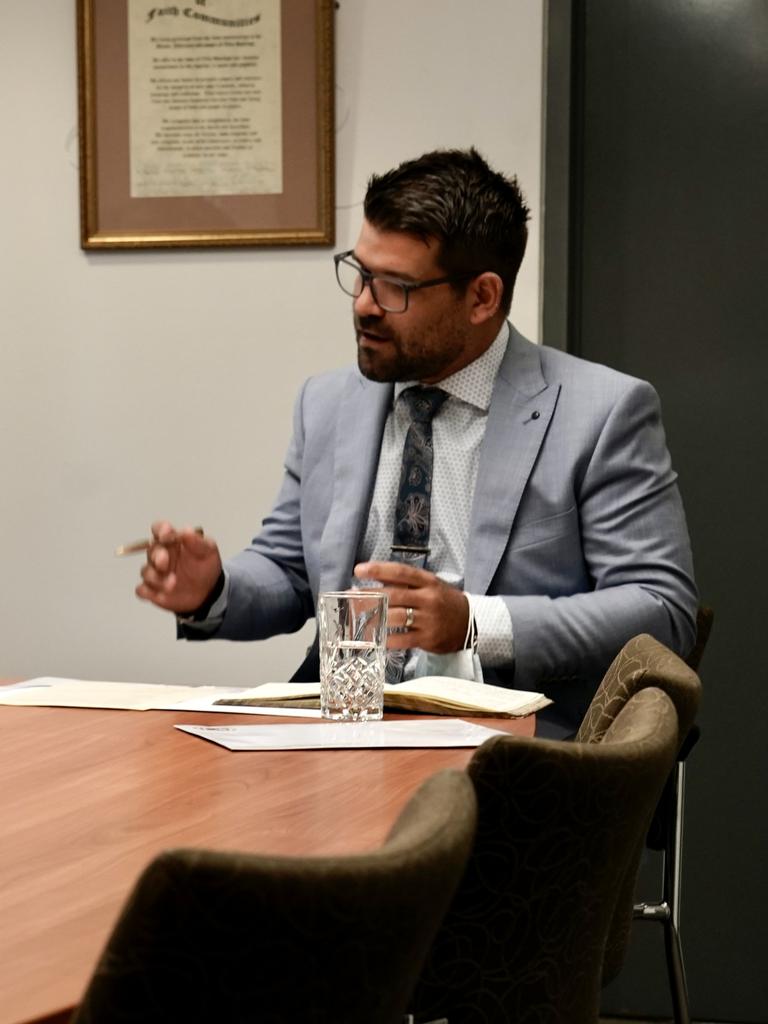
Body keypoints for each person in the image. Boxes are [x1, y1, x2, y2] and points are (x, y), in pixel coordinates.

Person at [136, 147, 697, 732]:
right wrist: (213, 588)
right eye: (361, 273)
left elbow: (662, 610)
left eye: (396, 288)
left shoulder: (601, 411)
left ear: (483, 297)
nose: (363, 305)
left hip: (506, 747)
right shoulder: (328, 403)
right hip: (337, 724)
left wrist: (473, 623)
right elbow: (292, 575)